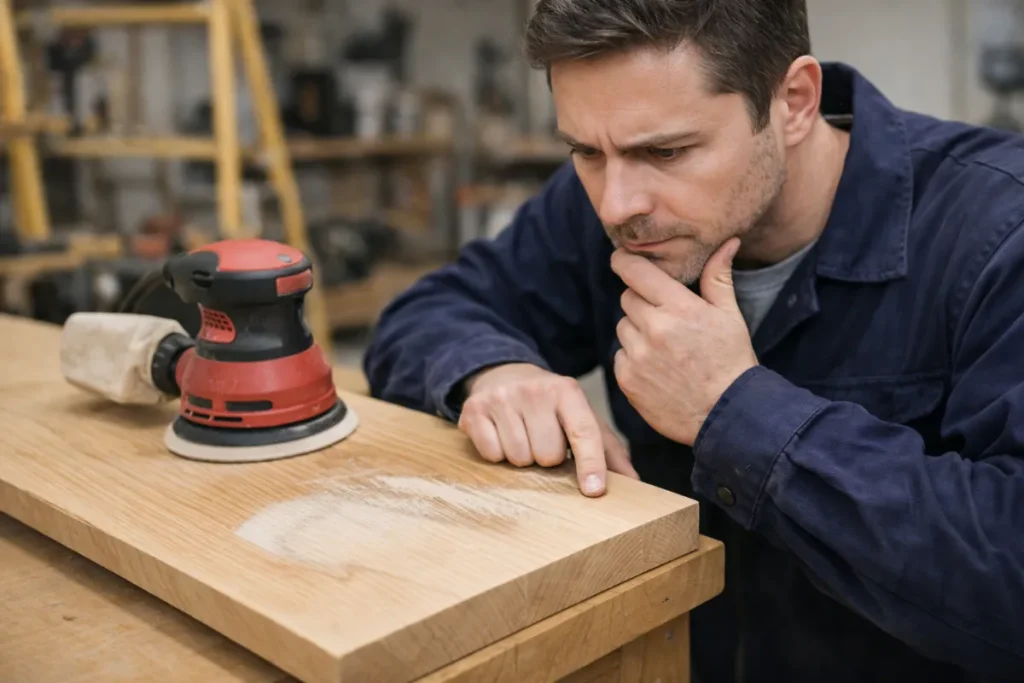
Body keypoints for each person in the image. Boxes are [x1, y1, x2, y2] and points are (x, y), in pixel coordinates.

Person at [362, 0, 1024, 680]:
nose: (617, 205)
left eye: (666, 151)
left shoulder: (999, 233)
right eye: (585, 150)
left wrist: (735, 409)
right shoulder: (617, 200)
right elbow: (425, 313)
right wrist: (493, 371)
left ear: (794, 102)